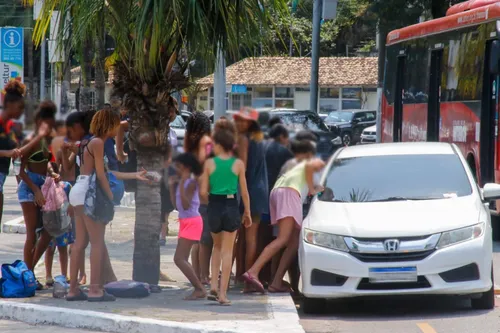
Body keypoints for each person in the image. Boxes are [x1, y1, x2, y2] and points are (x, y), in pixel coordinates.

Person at [66, 108, 149, 302]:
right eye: (115, 124)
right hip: (89, 192)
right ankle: (95, 289)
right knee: (96, 243)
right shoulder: (97, 143)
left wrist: (134, 175)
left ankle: (73, 289)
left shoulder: (87, 141)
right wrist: (110, 195)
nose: (118, 128)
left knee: (79, 243)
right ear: (108, 124)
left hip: (79, 189)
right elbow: (102, 175)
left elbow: (106, 172)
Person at [242, 151, 325, 294]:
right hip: (289, 193)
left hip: (278, 192)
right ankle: (253, 272)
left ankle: (276, 282)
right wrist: (322, 189)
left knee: (293, 242)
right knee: (282, 239)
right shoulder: (310, 165)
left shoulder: (297, 167)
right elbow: (313, 190)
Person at [200, 129, 252, 305]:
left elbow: (202, 191)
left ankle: (213, 285)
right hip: (231, 206)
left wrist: (211, 200)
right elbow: (244, 192)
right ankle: (222, 294)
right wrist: (247, 213)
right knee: (227, 251)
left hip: (214, 205)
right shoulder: (238, 164)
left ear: (220, 145)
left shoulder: (209, 164)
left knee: (216, 246)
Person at [18, 101, 58, 283]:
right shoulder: (30, 140)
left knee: (49, 231)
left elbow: (46, 162)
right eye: (47, 122)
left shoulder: (45, 140)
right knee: (31, 234)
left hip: (44, 185)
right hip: (30, 187)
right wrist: (35, 190)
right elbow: (19, 169)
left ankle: (30, 270)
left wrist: (51, 172)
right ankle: (28, 276)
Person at [0, 82, 49, 225]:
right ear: (10, 105)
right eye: (20, 107)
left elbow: (19, 157)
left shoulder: (12, 128)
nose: (21, 111)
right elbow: (12, 153)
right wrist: (7, 153)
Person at [233, 108, 268, 291]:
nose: (238, 123)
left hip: (249, 191)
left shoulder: (244, 139)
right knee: (247, 237)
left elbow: (242, 168)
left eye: (241, 120)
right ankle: (243, 277)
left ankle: (247, 279)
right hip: (260, 190)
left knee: (247, 238)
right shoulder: (258, 139)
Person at [172, 153, 206, 300]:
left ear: (186, 167)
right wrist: (171, 187)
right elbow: (177, 206)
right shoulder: (183, 182)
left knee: (179, 258)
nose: (176, 169)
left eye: (178, 166)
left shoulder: (191, 182)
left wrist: (180, 184)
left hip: (192, 221)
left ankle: (199, 288)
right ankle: (199, 287)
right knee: (182, 258)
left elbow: (186, 205)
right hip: (185, 221)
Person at [184, 112, 213, 285]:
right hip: (203, 196)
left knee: (197, 239)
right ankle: (204, 275)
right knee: (205, 240)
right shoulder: (206, 146)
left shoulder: (189, 145)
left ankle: (197, 273)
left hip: (190, 194)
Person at [44, 163, 74, 286]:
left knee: (57, 249)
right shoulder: (46, 186)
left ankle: (57, 274)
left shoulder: (65, 186)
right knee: (54, 249)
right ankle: (54, 275)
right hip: (56, 222)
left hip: (57, 223)